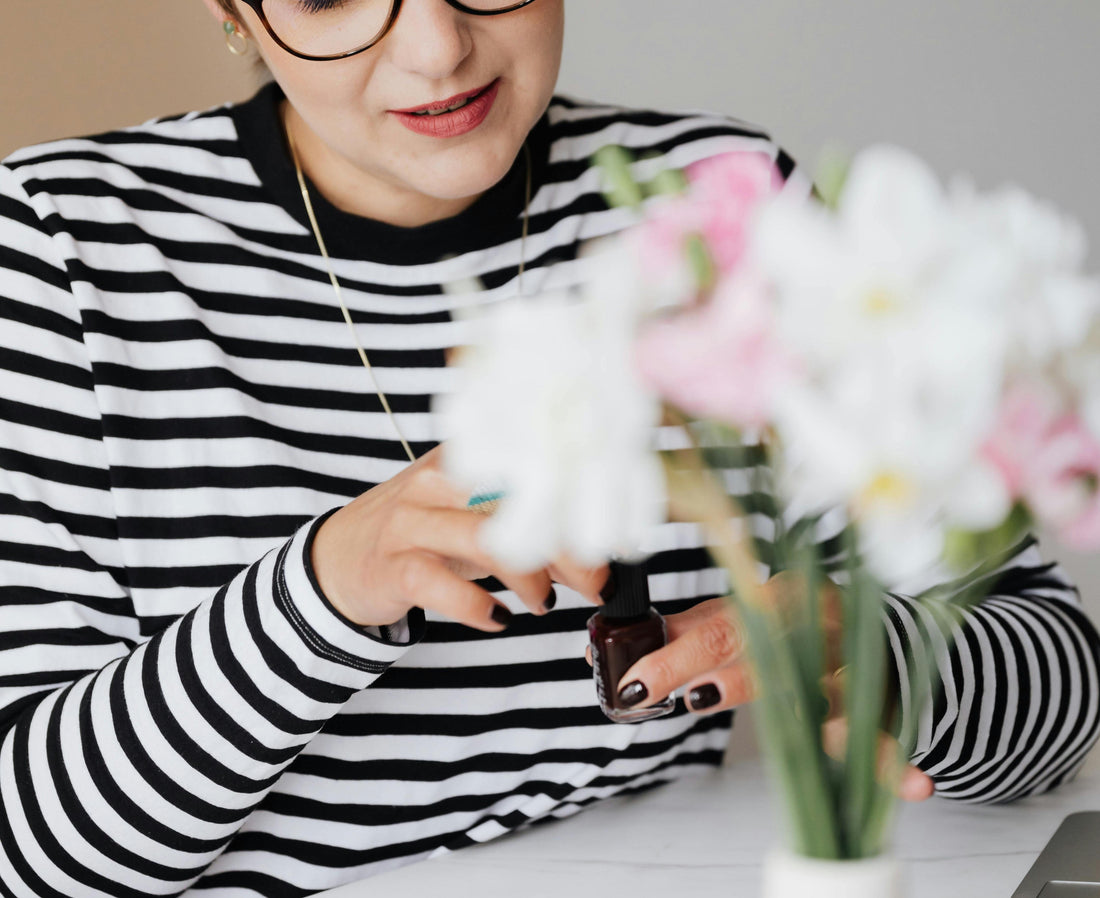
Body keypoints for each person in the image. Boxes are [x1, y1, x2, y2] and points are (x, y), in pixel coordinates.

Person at [0, 1, 1097, 895]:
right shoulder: (58, 243)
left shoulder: (711, 204)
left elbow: (1056, 681)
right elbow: (35, 851)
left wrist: (888, 658)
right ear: (233, 13)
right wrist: (327, 588)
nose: (436, 46)